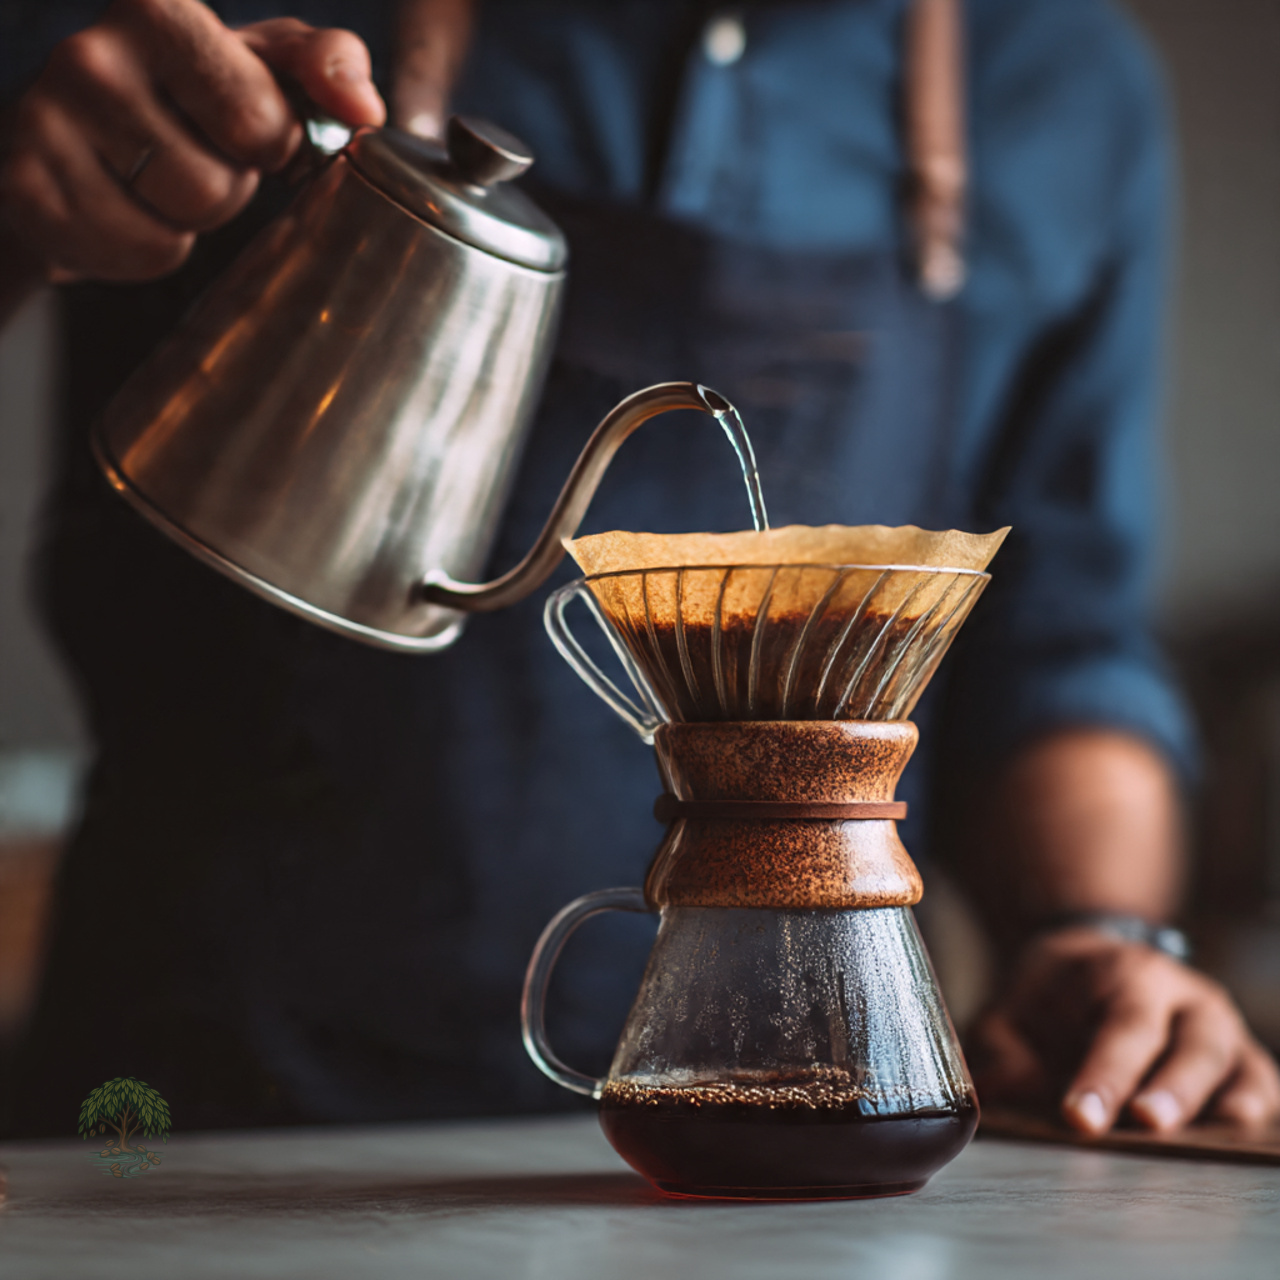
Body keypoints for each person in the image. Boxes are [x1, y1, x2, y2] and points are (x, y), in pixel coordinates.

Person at [1, 0, 1277, 1138]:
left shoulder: (1057, 80)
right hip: (183, 1094)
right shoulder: (207, 25)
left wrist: (1096, 937)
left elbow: (1054, 643)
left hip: (776, 1137)